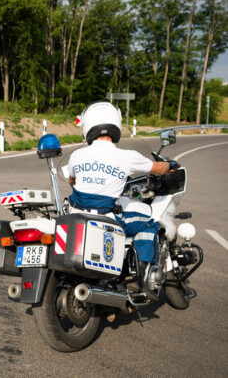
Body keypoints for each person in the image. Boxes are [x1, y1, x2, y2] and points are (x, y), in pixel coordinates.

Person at [67, 101, 177, 298]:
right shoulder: (127, 156)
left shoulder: (77, 154)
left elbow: (72, 181)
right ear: (115, 125)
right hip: (106, 217)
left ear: (87, 127)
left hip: (77, 215)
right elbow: (159, 169)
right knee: (149, 224)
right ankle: (144, 280)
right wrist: (169, 165)